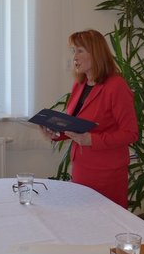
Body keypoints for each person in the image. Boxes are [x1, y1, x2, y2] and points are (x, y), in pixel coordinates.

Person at [41, 29, 138, 208]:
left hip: (107, 173)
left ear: (95, 53)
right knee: (82, 219)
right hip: (81, 167)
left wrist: (92, 140)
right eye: (73, 51)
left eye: (80, 51)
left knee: (105, 221)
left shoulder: (116, 85)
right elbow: (75, 125)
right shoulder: (79, 85)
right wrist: (56, 133)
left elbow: (130, 133)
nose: (74, 57)